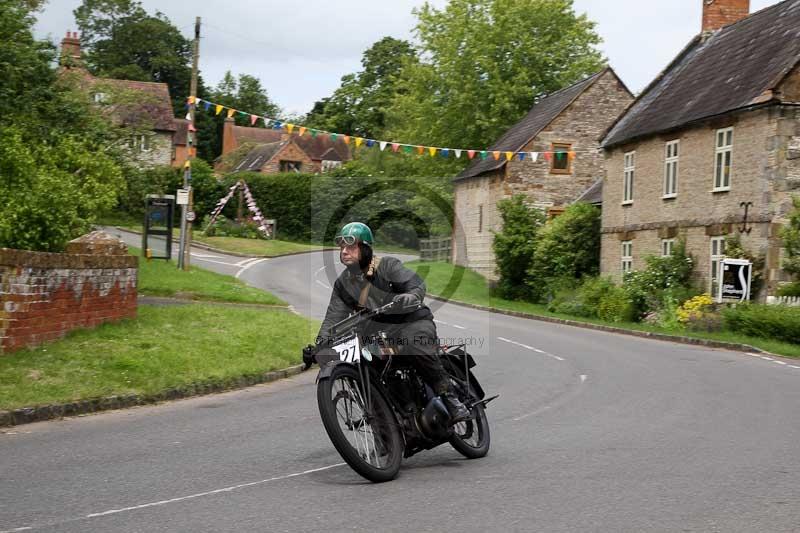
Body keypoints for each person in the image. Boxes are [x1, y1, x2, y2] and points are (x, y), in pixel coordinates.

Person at [304, 222, 470, 422]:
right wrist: (319, 345)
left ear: (365, 248)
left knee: (414, 343)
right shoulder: (343, 283)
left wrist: (410, 296)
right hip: (380, 335)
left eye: (351, 246)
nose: (344, 251)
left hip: (410, 322)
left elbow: (415, 284)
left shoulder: (387, 266)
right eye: (342, 247)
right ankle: (387, 426)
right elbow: (333, 318)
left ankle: (450, 398)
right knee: (364, 362)